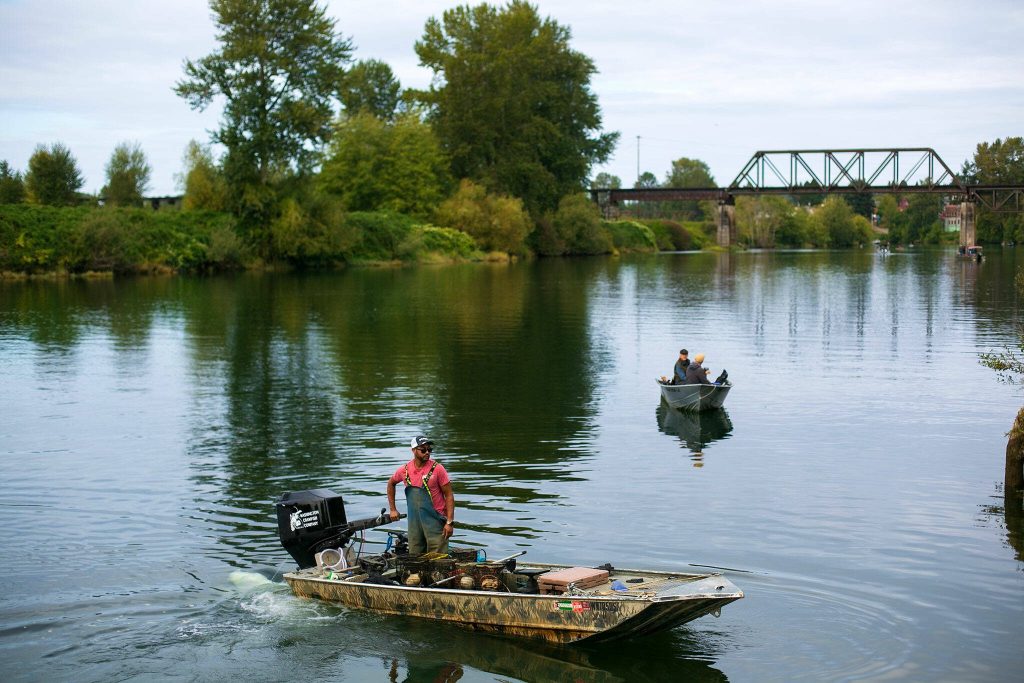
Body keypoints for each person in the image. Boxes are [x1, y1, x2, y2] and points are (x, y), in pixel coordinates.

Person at [387, 435, 455, 555]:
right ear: (413, 450)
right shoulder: (405, 470)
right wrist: (393, 509)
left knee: (438, 559)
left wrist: (449, 523)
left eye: (429, 450)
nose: (427, 453)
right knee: (415, 557)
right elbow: (391, 483)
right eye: (423, 450)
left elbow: (449, 495)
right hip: (414, 523)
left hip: (436, 522)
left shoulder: (438, 469)